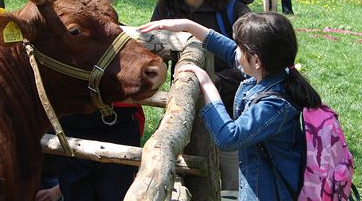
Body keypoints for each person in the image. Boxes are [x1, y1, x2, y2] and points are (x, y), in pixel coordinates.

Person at [138, 12, 322, 200]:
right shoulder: (273, 72)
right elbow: (229, 51)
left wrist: (207, 84)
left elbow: (229, 137)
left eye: (241, 48)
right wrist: (188, 25)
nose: (236, 52)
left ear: (256, 61)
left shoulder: (274, 105)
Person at [150, 0, 255, 191]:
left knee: (232, 183)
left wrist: (212, 83)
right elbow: (154, 55)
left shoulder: (233, 8)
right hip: (186, 109)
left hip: (233, 113)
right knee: (183, 179)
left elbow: (254, 61)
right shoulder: (166, 6)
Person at [36, 0, 144, 201]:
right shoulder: (67, 36)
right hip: (75, 124)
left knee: (114, 192)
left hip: (118, 125)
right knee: (76, 190)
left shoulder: (127, 40)